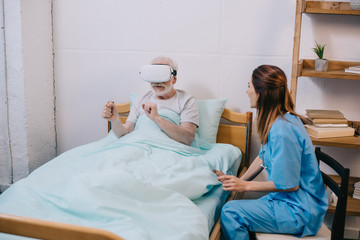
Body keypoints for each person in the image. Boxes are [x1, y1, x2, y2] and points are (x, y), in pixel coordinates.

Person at [213, 65, 328, 240]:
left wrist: (245, 186)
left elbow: (290, 185)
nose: (246, 91)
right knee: (235, 205)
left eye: (250, 86)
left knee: (231, 212)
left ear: (262, 93)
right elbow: (262, 157)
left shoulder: (283, 131)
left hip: (300, 211)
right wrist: (237, 182)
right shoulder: (281, 120)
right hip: (290, 201)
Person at [102, 56, 199, 146]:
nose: (157, 82)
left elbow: (187, 139)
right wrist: (115, 120)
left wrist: (157, 118)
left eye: (162, 75)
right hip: (138, 145)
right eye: (153, 75)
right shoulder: (141, 98)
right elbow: (124, 134)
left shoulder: (186, 100)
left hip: (168, 148)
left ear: (174, 79)